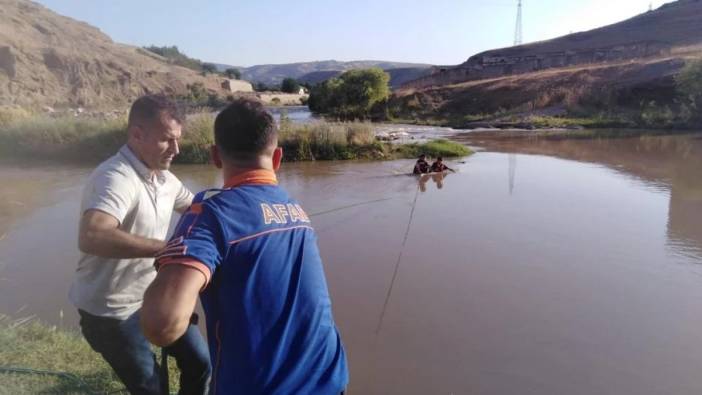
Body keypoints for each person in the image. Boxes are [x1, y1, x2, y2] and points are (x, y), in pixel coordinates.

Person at [141, 98, 349, 394]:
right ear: (277, 158)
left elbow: (162, 326)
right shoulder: (296, 210)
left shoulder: (209, 214)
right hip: (331, 379)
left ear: (215, 156)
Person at [69, 94, 211, 395]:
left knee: (200, 363)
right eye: (166, 140)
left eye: (178, 140)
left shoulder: (164, 178)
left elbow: (197, 208)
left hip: (152, 298)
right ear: (137, 134)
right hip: (111, 312)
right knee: (152, 388)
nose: (176, 149)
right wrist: (164, 248)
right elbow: (92, 235)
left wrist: (241, 203)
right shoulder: (115, 177)